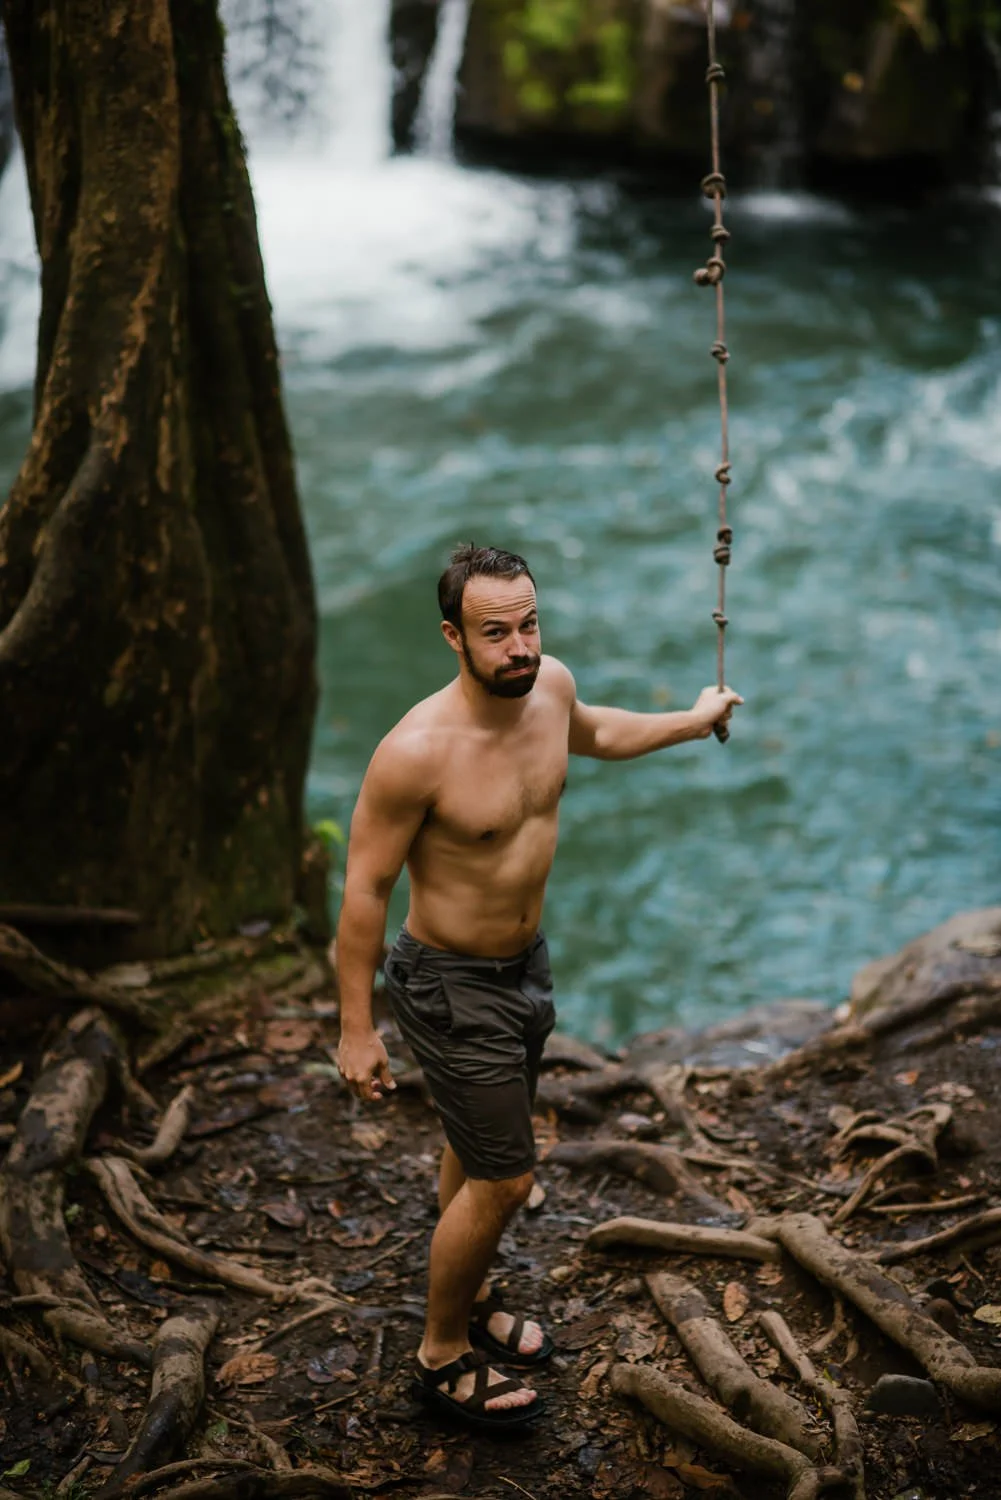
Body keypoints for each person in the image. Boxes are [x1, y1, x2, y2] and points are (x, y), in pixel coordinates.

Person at [335, 543, 742, 1432]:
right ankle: (439, 1355)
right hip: (447, 982)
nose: (519, 647)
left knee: (475, 1152)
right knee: (507, 1177)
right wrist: (355, 1029)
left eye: (528, 624)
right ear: (453, 637)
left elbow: (594, 731)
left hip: (524, 968)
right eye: (495, 633)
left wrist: (692, 717)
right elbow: (364, 890)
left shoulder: (548, 685)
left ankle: (468, 1295)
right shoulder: (415, 752)